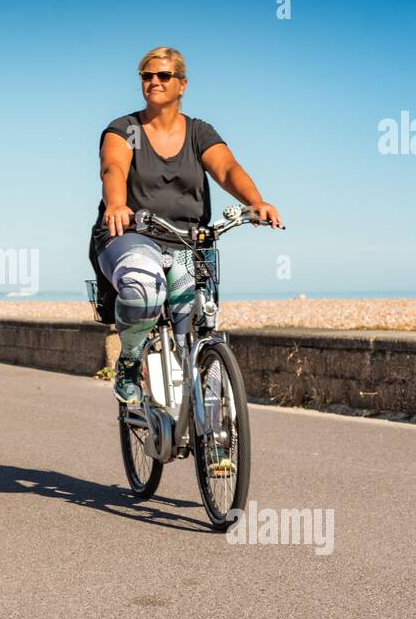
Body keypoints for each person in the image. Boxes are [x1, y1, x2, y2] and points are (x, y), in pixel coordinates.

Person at [93, 47, 284, 404]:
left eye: (163, 76)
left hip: (186, 241)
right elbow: (113, 167)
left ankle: (216, 447)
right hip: (132, 233)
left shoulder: (199, 132)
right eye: (146, 76)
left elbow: (228, 169)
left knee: (194, 330)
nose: (153, 82)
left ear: (182, 84)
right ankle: (130, 363)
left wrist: (254, 202)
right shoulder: (126, 129)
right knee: (144, 285)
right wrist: (117, 204)